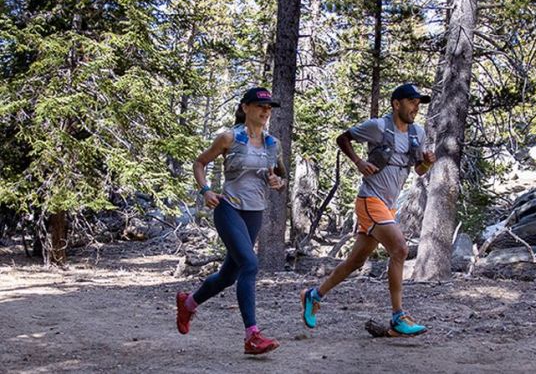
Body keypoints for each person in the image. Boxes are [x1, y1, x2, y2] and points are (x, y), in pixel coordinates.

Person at [302, 83, 436, 336]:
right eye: (411, 101)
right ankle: (398, 317)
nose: (416, 107)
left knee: (355, 261)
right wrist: (358, 162)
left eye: (419, 102)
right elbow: (343, 138)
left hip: (389, 205)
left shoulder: (417, 132)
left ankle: (314, 295)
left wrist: (427, 164)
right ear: (396, 104)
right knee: (400, 248)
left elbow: (418, 170)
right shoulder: (378, 127)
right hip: (370, 200)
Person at [176, 87, 287, 355]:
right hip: (228, 209)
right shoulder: (229, 138)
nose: (265, 111)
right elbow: (200, 163)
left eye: (269, 107)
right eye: (260, 106)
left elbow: (282, 180)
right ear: (245, 107)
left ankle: (188, 303)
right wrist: (206, 191)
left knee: (228, 275)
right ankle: (252, 336)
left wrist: (277, 182)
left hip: (254, 212)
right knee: (249, 263)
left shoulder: (273, 144)